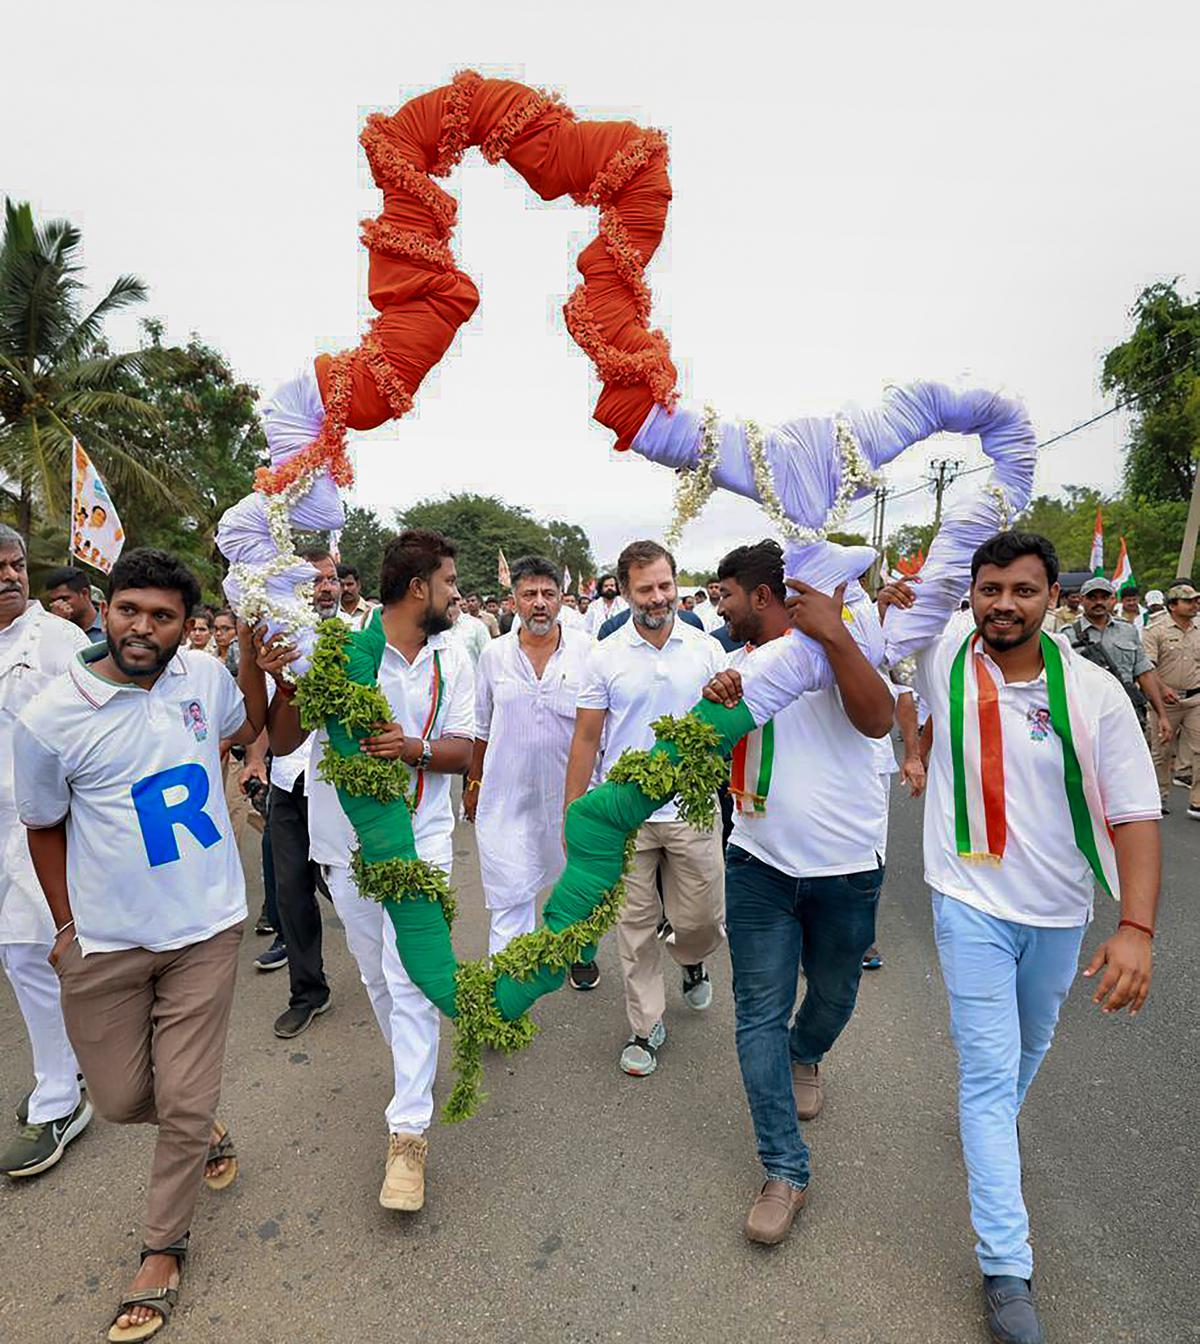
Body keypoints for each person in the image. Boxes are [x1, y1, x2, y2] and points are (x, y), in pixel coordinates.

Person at [883, 532, 1161, 1344]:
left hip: (1060, 912)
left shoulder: (1096, 694)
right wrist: (893, 599)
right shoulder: (940, 656)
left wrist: (1135, 928)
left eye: (1024, 591)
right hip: (967, 900)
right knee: (987, 1072)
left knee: (1027, 1051)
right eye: (990, 589)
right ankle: (1008, 1269)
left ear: (1053, 600)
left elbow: (1136, 812)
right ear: (972, 594)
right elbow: (877, 638)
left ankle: (990, 1129)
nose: (1004, 604)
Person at [14, 547, 277, 1342]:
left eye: (162, 616)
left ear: (182, 625)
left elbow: (252, 730)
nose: (142, 627)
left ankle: (162, 1249)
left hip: (206, 926)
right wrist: (67, 931)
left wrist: (265, 667)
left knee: (183, 1098)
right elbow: (42, 825)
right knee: (127, 1099)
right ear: (107, 606)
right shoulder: (50, 717)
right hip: (106, 941)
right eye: (130, 609)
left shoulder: (202, 676)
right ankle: (201, 1126)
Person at [274, 529, 474, 1213]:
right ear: (419, 588)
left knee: (411, 975)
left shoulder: (456, 655)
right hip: (343, 846)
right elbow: (280, 741)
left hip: (424, 839)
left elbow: (466, 750)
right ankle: (412, 1071)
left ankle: (408, 1135)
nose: (456, 594)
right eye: (449, 582)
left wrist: (414, 748)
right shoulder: (342, 653)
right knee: (375, 975)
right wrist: (274, 676)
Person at [700, 540, 893, 1244]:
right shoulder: (741, 666)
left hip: (846, 868)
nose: (719, 606)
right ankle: (784, 1170)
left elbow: (877, 720)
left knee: (835, 997)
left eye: (727, 595)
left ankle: (805, 1052)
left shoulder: (845, 639)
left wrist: (836, 635)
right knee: (756, 1015)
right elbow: (716, 745)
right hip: (758, 865)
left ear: (764, 596)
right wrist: (717, 700)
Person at [565, 540, 726, 1072]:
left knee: (699, 918)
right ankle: (645, 1027)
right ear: (625, 592)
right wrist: (576, 812)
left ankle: (692, 959)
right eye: (645, 589)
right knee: (633, 926)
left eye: (664, 586)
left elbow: (727, 727)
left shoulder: (705, 649)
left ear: (675, 584)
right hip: (626, 815)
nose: (657, 598)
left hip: (693, 811)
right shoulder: (604, 657)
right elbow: (588, 739)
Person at [0, 525, 93, 1180]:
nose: (9, 574)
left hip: (44, 822)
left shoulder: (59, 639)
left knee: (27, 951)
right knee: (21, 956)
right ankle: (73, 1065)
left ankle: (62, 1095)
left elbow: (92, 723)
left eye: (17, 563)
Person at [466, 556, 590, 954]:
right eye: (530, 594)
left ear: (561, 600)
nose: (540, 603)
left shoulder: (588, 652)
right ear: (513, 600)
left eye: (548, 594)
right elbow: (481, 728)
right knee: (509, 900)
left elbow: (600, 730)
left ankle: (578, 951)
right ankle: (505, 999)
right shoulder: (493, 656)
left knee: (578, 889)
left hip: (571, 797)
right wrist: (473, 782)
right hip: (507, 798)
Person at [266, 546, 341, 1038]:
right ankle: (308, 992)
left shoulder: (359, 637)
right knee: (291, 893)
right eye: (314, 581)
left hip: (335, 787)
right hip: (284, 783)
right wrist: (256, 760)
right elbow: (258, 715)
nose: (326, 588)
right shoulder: (271, 638)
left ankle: (398, 969)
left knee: (351, 888)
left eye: (331, 578)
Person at [1064, 577, 1169, 756]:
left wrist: (1162, 715)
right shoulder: (1067, 635)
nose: (1098, 602)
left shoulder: (1128, 631)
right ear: (1082, 600)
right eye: (1092, 597)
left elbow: (1144, 674)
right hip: (1085, 712)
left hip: (1125, 710)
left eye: (1104, 597)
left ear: (1112, 599)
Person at [1142, 582, 1200, 820]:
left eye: (1196, 600)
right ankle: (1158, 795)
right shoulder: (1155, 629)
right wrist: (1163, 689)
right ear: (1173, 605)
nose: (1195, 604)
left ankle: (1197, 801)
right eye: (1189, 601)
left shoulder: (1199, 628)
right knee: (1162, 751)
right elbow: (1147, 668)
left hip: (1195, 699)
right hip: (1164, 702)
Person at [43, 566, 104, 643]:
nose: (57, 605)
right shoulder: (52, 630)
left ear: (84, 593)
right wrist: (57, 625)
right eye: (53, 601)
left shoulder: (109, 628)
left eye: (64, 599)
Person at [449, 590, 493, 666]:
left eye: (451, 604)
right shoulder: (437, 629)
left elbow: (489, 657)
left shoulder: (476, 625)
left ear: (459, 602)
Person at [337, 563, 375, 630]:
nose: (346, 589)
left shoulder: (373, 611)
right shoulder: (332, 613)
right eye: (341, 585)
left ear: (358, 585)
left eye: (350, 584)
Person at [212, 609, 239, 673]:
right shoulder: (210, 657)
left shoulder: (243, 658)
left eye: (225, 629)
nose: (218, 633)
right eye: (216, 629)